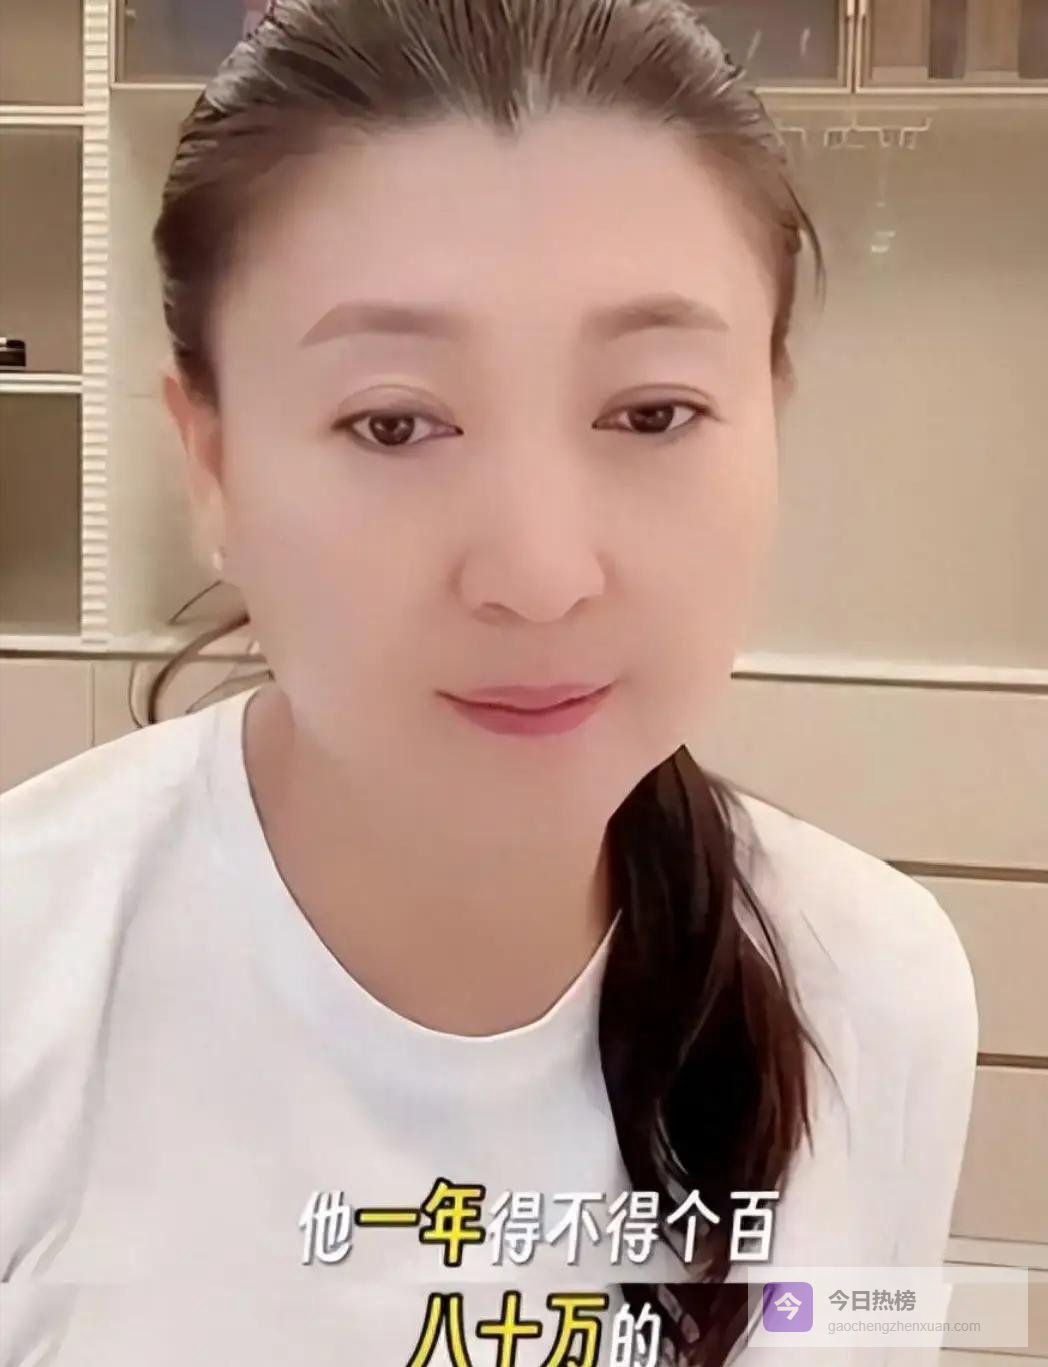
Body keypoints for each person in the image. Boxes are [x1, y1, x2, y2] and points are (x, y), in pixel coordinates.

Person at [0, 1, 979, 1364]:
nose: (540, 575)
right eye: (395, 422)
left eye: (652, 413)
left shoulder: (870, 987)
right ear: (212, 462)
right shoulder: (31, 978)